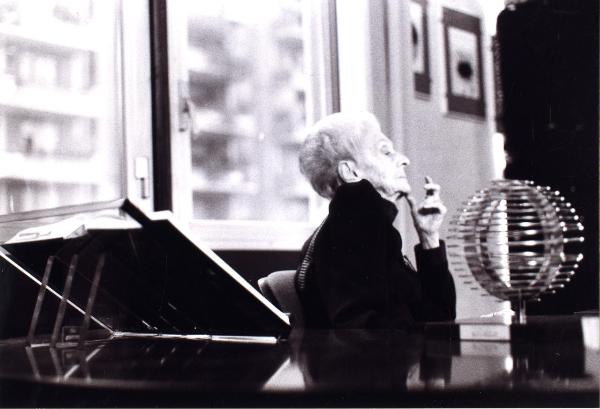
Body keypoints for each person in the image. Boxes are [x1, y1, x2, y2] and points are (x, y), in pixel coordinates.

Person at [295, 112, 456, 329]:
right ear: (350, 172)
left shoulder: (363, 227)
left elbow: (440, 319)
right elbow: (367, 334)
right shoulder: (352, 225)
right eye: (386, 151)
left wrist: (428, 238)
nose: (404, 160)